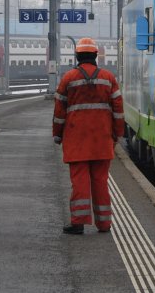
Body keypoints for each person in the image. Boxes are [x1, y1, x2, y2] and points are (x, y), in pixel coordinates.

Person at [53, 37, 124, 235]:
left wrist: (57, 135)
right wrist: (117, 134)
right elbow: (118, 110)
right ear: (95, 56)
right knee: (101, 181)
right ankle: (104, 223)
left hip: (76, 140)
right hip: (102, 140)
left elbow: (59, 112)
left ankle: (78, 222)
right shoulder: (108, 78)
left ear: (77, 56)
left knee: (80, 181)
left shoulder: (68, 78)